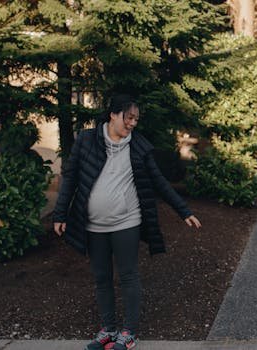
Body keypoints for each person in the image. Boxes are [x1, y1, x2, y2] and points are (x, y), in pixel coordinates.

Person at [52, 94, 201, 350]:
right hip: (93, 225)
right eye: (128, 117)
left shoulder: (138, 146)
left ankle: (129, 332)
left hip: (126, 222)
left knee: (129, 275)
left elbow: (159, 182)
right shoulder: (87, 140)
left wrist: (183, 210)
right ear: (113, 114)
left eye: (136, 119)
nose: (132, 123)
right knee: (101, 277)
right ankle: (108, 329)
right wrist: (59, 213)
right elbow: (71, 177)